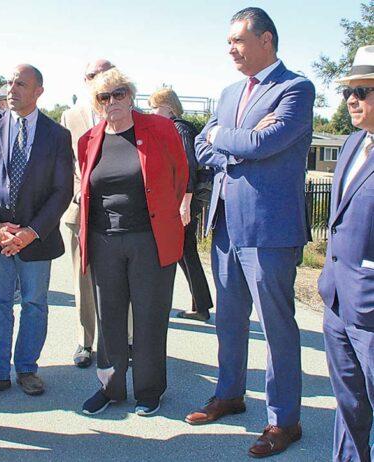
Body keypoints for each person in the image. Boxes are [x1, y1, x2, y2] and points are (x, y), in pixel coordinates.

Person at [185, 8, 315, 458]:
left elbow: (266, 143)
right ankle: (230, 394)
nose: (231, 50)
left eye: (238, 40)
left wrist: (227, 138)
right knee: (228, 319)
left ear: (267, 40)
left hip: (270, 229)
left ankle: (284, 421)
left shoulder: (295, 88)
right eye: (228, 43)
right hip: (224, 225)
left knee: (276, 327)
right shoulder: (227, 93)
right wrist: (231, 140)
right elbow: (203, 147)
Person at [78, 68, 188, 416]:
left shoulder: (160, 129)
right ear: (96, 104)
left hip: (150, 241)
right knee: (109, 319)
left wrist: (166, 216)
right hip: (104, 241)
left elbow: (179, 173)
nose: (113, 102)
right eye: (104, 97)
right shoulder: (89, 140)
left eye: (119, 93)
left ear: (132, 95)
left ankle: (149, 390)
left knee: (150, 317)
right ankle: (110, 388)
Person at [0, 64, 73, 401]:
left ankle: (27, 368)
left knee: (34, 304)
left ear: (38, 91)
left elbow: (62, 190)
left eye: (21, 83)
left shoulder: (57, 135)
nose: (12, 88)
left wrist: (31, 232)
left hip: (36, 240)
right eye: (10, 81)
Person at [318, 45, 374, 462]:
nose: (352, 100)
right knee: (349, 406)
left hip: (371, 308)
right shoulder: (354, 144)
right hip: (338, 301)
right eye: (347, 92)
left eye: (363, 91)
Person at [60, 58, 114, 368]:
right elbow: (67, 162)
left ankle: (128, 340)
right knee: (83, 279)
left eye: (106, 73)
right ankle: (86, 341)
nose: (100, 79)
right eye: (94, 74)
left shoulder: (128, 112)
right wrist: (78, 189)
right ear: (85, 79)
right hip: (80, 211)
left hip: (121, 212)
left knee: (124, 278)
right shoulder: (70, 117)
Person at [148, 88, 214, 322]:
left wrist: (184, 203)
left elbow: (187, 164)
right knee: (185, 253)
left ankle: (201, 306)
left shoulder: (180, 129)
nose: (152, 112)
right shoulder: (176, 128)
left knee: (184, 252)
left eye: (154, 107)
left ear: (167, 107)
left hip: (182, 203)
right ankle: (201, 304)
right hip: (179, 202)